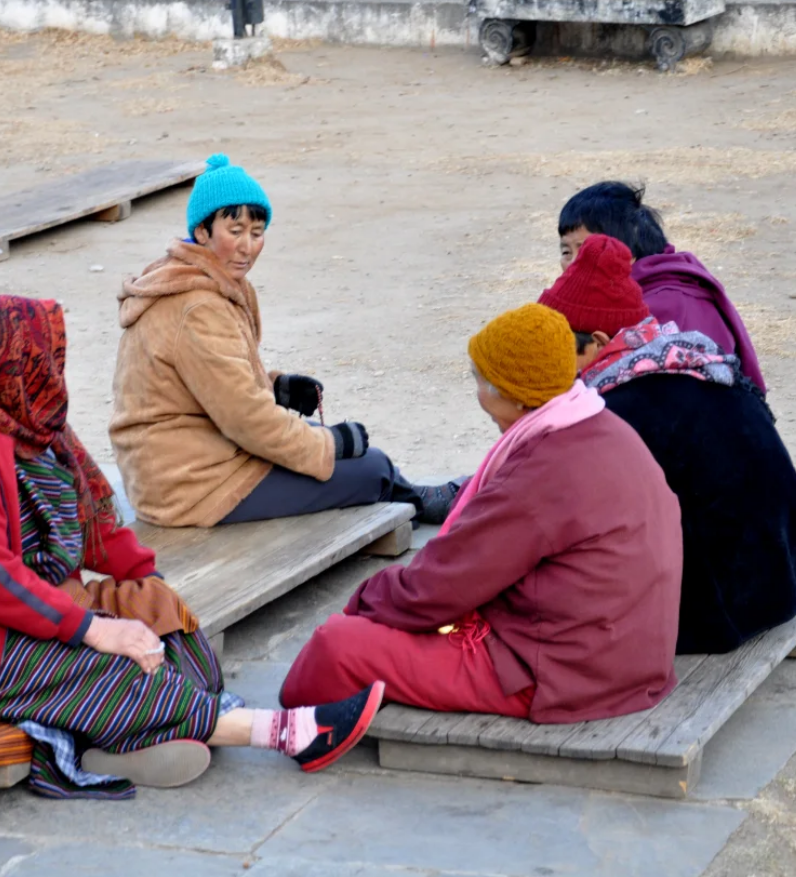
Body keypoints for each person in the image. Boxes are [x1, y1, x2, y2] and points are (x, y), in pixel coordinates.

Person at [0, 295, 384, 798]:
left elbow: (95, 518)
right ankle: (285, 733)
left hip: (18, 606)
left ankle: (120, 734)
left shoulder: (21, 414)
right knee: (107, 665)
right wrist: (97, 628)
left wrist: (148, 590)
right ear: (16, 366)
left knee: (171, 633)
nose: (55, 371)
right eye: (46, 358)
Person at [280, 304, 681, 723]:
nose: (477, 395)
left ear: (508, 393)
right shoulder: (601, 425)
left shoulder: (542, 470)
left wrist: (363, 601)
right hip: (626, 657)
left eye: (478, 380)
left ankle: (279, 728)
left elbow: (437, 589)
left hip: (568, 673)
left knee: (337, 646)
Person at [110, 154, 459, 528]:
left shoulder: (198, 280)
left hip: (189, 459)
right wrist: (330, 445)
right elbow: (246, 419)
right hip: (190, 484)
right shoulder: (196, 306)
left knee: (334, 449)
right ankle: (425, 503)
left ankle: (416, 495)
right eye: (235, 230)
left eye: (256, 233)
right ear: (202, 232)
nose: (246, 246)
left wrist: (277, 387)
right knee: (370, 469)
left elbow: (215, 384)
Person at [540, 233, 796, 654]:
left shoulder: (617, 408)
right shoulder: (690, 359)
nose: (553, 360)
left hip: (719, 612)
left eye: (562, 346)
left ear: (602, 342)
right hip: (780, 583)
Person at [557, 180, 765, 392]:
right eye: (566, 252)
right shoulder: (612, 296)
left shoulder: (666, 305)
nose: (573, 265)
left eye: (586, 251)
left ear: (626, 253)